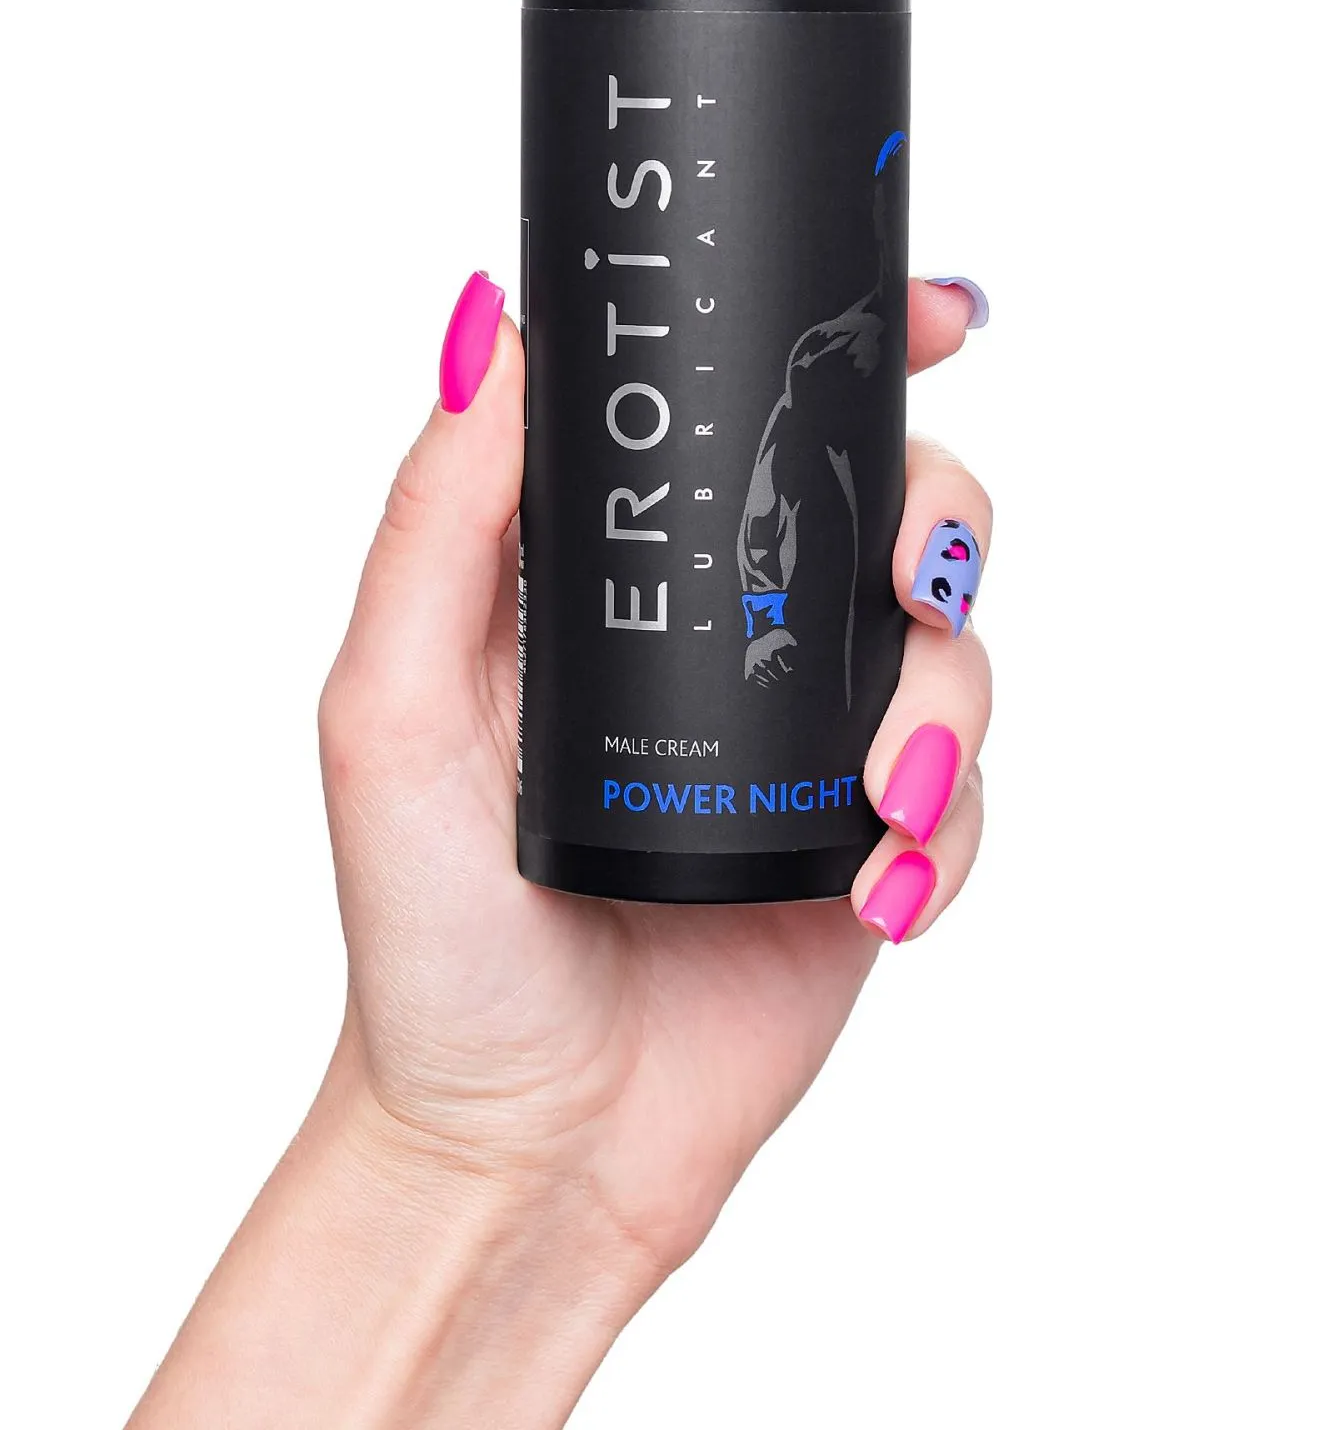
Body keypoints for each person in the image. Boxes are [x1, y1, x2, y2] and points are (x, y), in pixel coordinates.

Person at [129, 270, 992, 1428]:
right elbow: (759, 524)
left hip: (802, 742)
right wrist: (461, 1148)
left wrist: (506, 1168)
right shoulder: (802, 388)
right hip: (696, 715)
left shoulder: (819, 372)